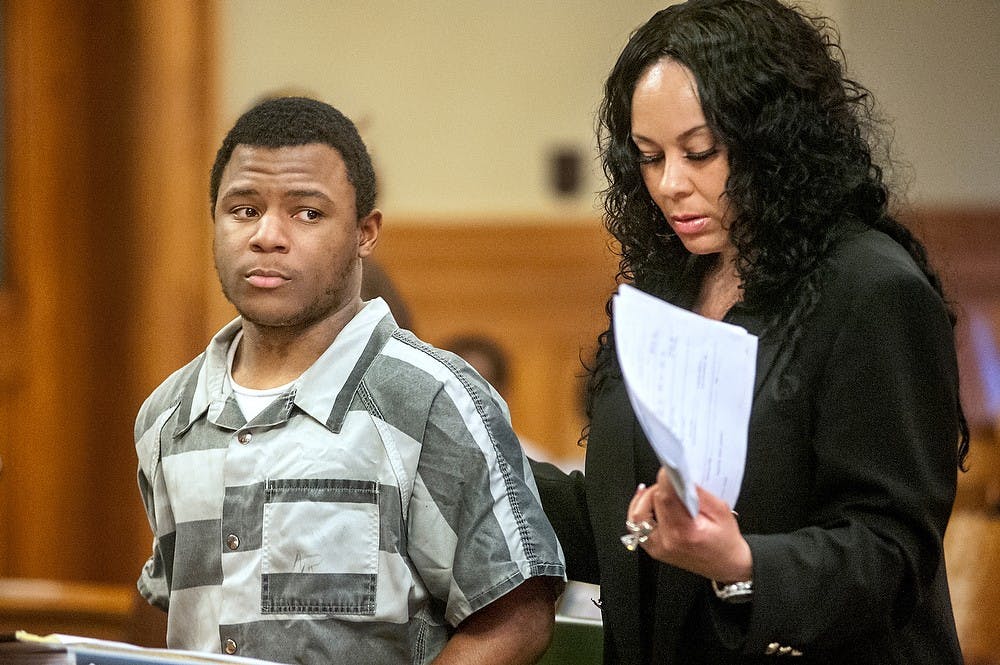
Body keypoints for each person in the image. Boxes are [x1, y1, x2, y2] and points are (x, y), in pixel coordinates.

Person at [530, 1, 970, 663]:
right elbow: (624, 520)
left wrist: (741, 561)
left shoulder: (873, 287)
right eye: (649, 158)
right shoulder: (668, 283)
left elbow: (892, 553)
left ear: (777, 140)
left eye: (700, 151)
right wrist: (472, 465)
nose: (672, 184)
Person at [134, 96, 565, 665]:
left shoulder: (430, 399)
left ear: (366, 232)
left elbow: (515, 615)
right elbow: (169, 606)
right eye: (242, 209)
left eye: (307, 213)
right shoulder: (167, 414)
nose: (268, 236)